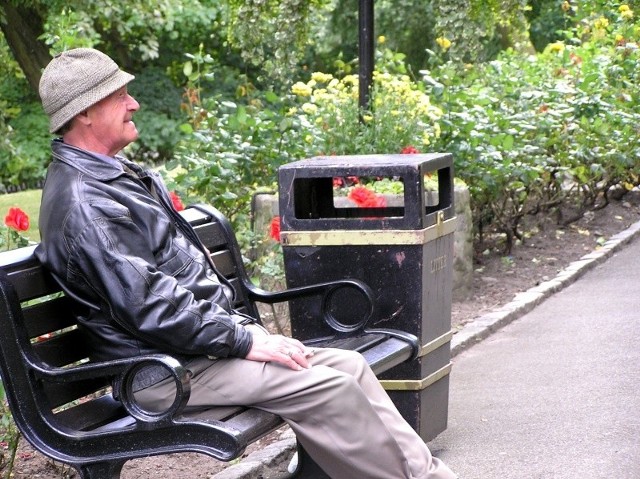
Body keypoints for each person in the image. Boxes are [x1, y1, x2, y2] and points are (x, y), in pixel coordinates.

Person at [36, 48, 457, 479]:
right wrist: (243, 340)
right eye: (121, 95)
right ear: (86, 112)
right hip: (161, 372)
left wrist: (240, 334)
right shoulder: (86, 205)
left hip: (192, 352)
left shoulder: (111, 177)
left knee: (348, 366)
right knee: (327, 387)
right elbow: (151, 307)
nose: (134, 103)